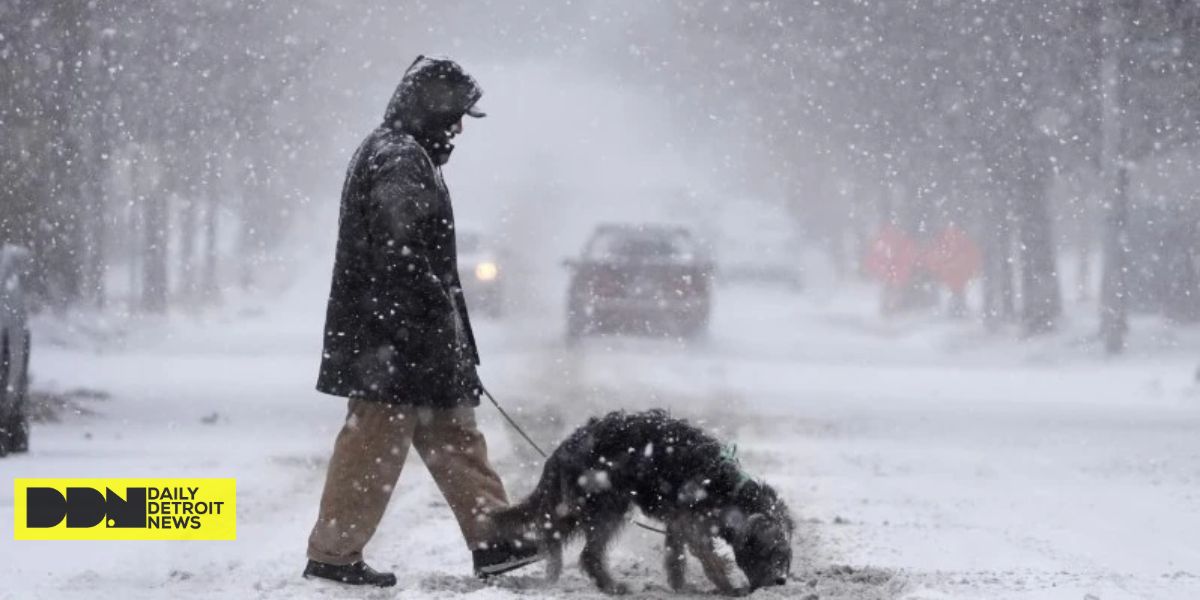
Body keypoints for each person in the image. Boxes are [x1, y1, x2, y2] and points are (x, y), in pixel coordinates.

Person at [303, 55, 539, 587]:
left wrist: (444, 331)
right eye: (453, 116)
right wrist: (431, 311)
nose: (457, 129)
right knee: (373, 445)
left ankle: (494, 539)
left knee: (454, 434)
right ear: (428, 110)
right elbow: (398, 245)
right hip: (392, 339)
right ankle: (334, 554)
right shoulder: (398, 158)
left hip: (410, 337)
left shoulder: (403, 152)